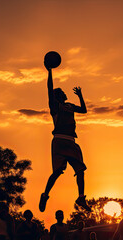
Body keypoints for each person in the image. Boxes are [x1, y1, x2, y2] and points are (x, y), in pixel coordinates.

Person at [39, 62, 91, 212]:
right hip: (59, 141)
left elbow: (84, 110)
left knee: (80, 170)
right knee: (56, 172)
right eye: (60, 92)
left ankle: (81, 197)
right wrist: (49, 72)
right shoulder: (55, 106)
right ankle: (45, 195)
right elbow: (49, 88)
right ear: (57, 96)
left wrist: (80, 96)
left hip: (71, 141)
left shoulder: (69, 106)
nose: (63, 92)